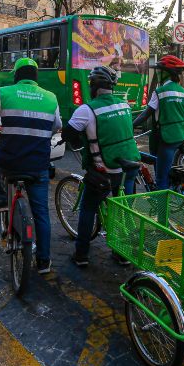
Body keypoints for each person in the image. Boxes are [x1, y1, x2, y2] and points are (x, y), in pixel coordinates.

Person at [0, 58, 61, 275]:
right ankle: (44, 262)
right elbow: (57, 126)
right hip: (38, 165)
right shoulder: (51, 97)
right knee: (42, 213)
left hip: (9, 163)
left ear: (17, 75)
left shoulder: (5, 92)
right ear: (35, 75)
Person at [61, 66, 140, 268]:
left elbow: (67, 134)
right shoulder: (124, 105)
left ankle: (81, 255)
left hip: (105, 169)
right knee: (122, 208)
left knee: (88, 208)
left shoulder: (87, 110)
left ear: (93, 87)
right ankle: (122, 253)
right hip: (129, 167)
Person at [132, 55, 184, 190]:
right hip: (181, 135)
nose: (158, 73)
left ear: (167, 73)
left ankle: (162, 209)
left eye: (160, 71)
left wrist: (130, 125)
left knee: (161, 179)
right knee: (164, 166)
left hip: (166, 137)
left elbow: (147, 113)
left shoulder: (160, 92)